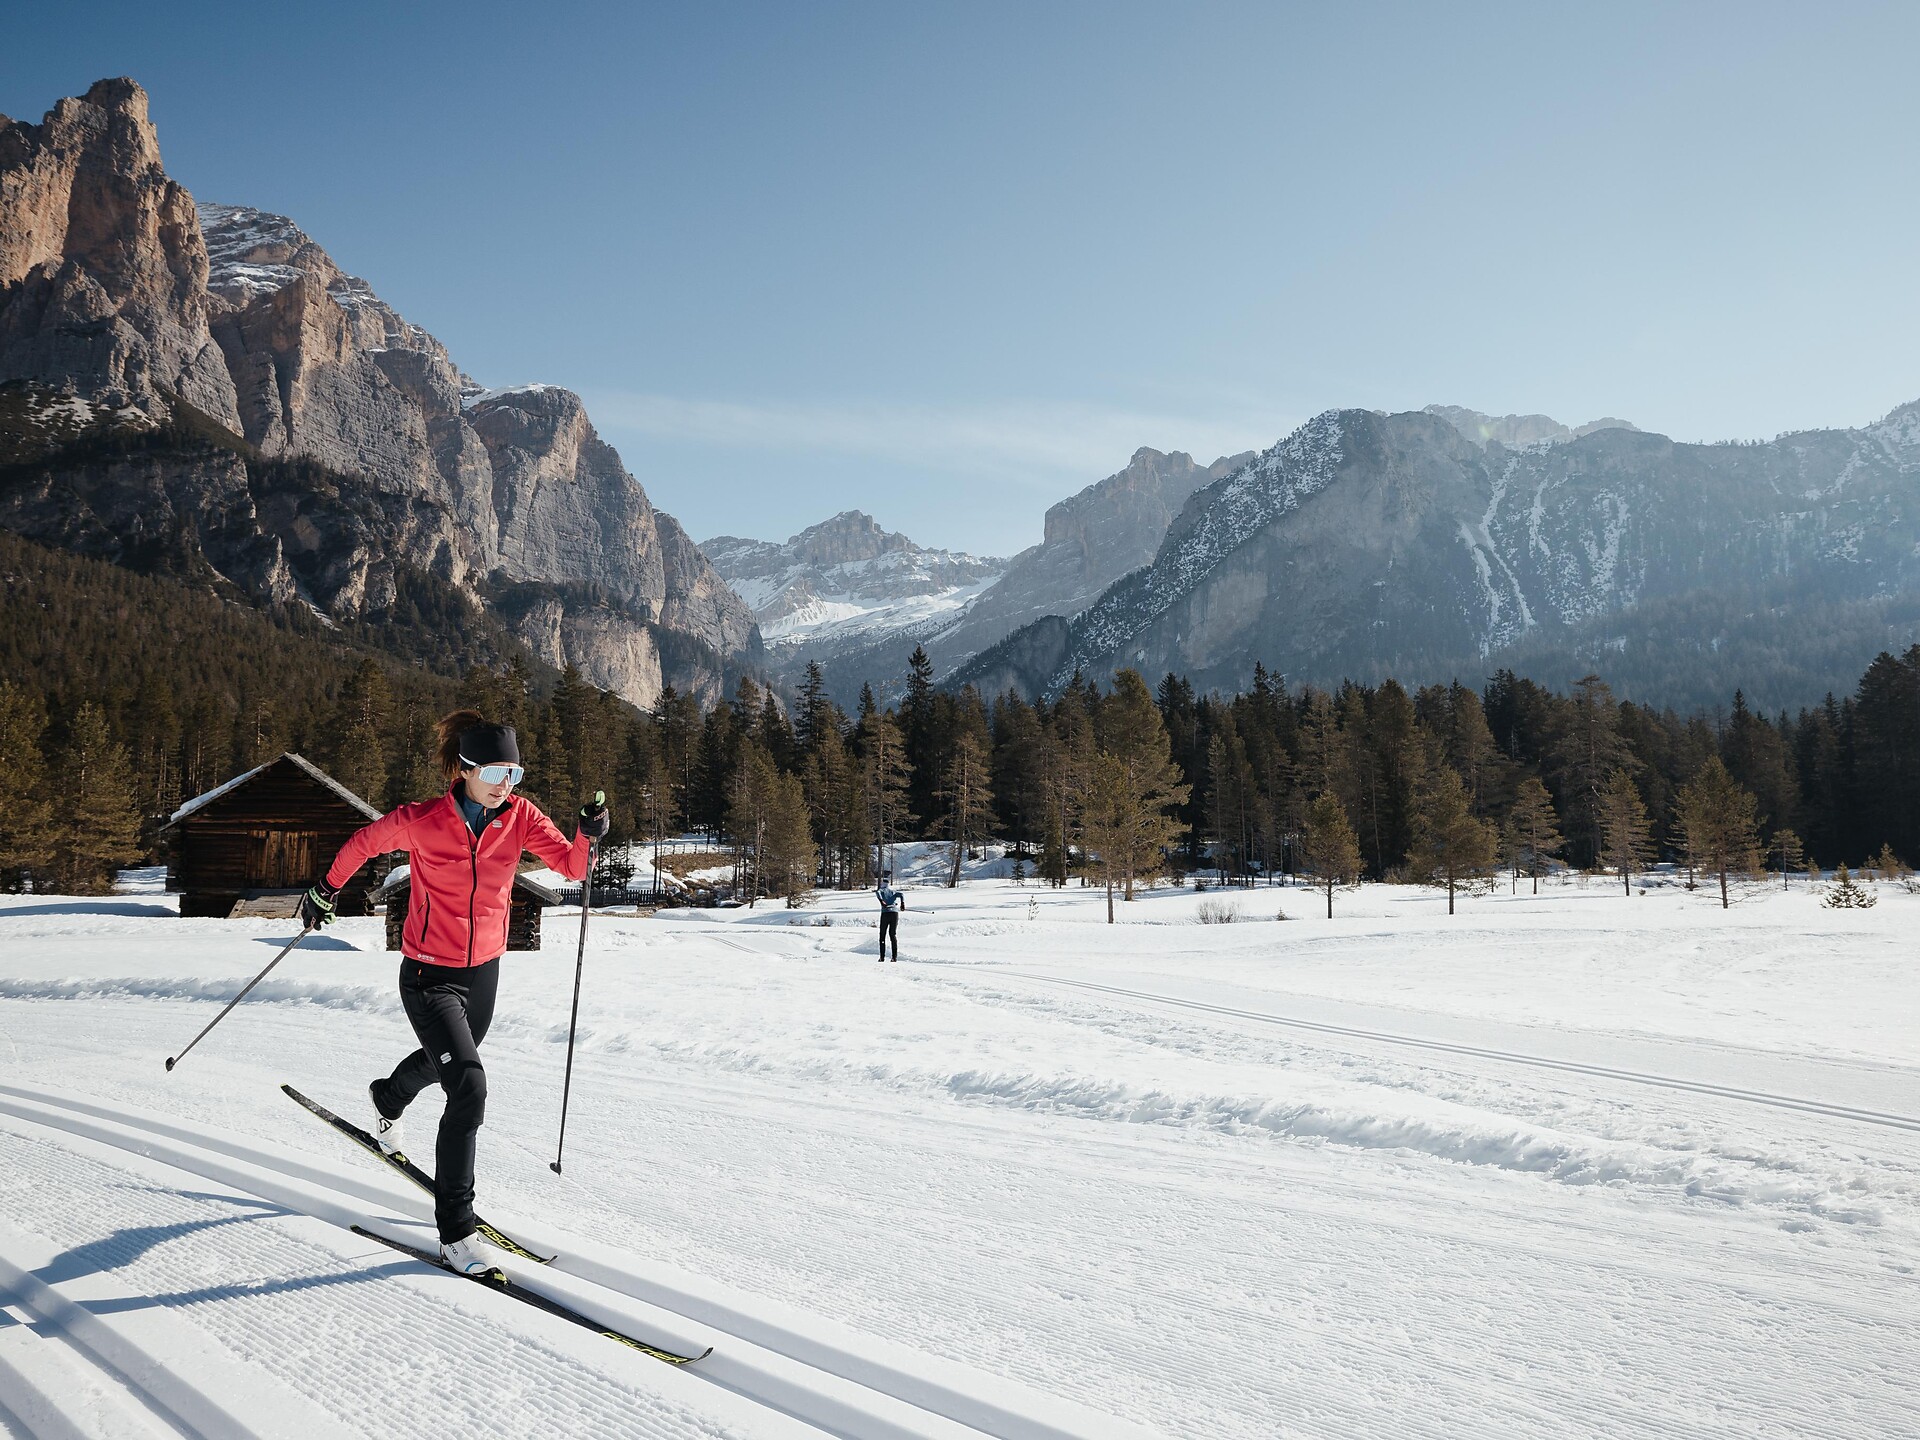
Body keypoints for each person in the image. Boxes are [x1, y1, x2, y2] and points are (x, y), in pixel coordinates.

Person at [297, 710, 608, 1277]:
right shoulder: (422, 820)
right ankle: (456, 1232)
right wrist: (325, 889)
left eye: (513, 773)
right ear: (465, 769)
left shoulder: (520, 818)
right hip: (427, 974)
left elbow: (572, 867)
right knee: (469, 1087)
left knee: (450, 1067)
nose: (504, 784)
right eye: (494, 772)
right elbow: (364, 842)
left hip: (484, 970)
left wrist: (589, 831)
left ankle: (388, 1097)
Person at [875, 870, 904, 961]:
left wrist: (881, 901)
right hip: (894, 913)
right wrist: (902, 903)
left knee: (882, 935)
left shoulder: (881, 890)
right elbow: (901, 894)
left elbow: (877, 893)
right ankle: (894, 957)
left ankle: (882, 957)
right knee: (892, 935)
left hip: (886, 913)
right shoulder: (893, 891)